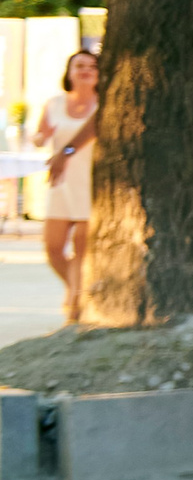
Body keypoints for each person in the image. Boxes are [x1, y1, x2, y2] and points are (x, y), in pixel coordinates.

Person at [33, 49, 99, 321]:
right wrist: (38, 138)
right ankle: (75, 289)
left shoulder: (104, 104)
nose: (85, 71)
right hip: (61, 183)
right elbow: (42, 134)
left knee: (83, 249)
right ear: (69, 72)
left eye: (91, 67)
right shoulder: (54, 104)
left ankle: (74, 305)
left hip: (90, 182)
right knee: (53, 247)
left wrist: (66, 153)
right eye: (79, 66)